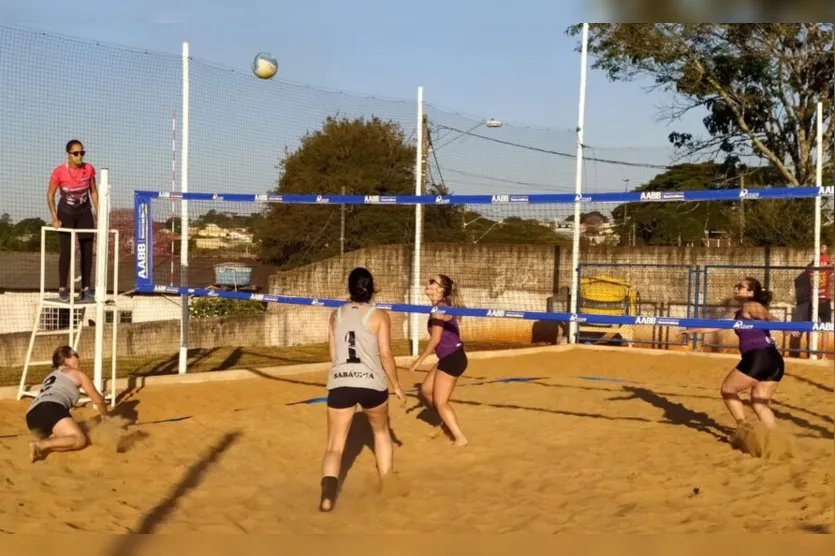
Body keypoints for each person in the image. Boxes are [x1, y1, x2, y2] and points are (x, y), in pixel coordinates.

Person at [319, 267, 405, 512]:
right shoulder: (379, 315)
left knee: (334, 446)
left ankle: (327, 498)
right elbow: (386, 354)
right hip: (372, 384)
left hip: (341, 382)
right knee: (381, 432)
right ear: (371, 287)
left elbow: (333, 355)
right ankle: (387, 480)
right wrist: (397, 386)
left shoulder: (336, 315)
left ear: (350, 287)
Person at [681, 277, 798, 432]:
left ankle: (743, 427)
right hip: (774, 361)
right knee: (759, 403)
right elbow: (718, 325)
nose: (736, 289)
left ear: (750, 292)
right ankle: (774, 439)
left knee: (728, 389)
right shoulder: (739, 313)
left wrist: (784, 327)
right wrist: (694, 330)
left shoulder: (751, 305)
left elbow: (767, 316)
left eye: (740, 287)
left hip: (759, 356)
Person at [409, 274, 469, 447]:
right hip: (448, 357)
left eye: (432, 281)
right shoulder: (438, 306)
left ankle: (459, 437)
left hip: (453, 358)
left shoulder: (440, 309)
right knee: (426, 390)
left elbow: (435, 340)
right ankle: (445, 423)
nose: (427, 283)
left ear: (441, 289)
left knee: (441, 402)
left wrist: (418, 361)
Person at [26, 346, 109, 463]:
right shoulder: (77, 374)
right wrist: (105, 416)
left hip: (31, 416)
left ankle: (45, 442)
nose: (78, 358)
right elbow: (98, 400)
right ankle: (40, 445)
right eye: (75, 355)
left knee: (65, 438)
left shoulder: (50, 376)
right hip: (50, 407)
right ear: (66, 359)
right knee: (80, 439)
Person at [47, 139, 99, 302]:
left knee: (87, 249)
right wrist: (54, 217)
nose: (79, 156)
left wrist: (99, 213)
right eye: (75, 153)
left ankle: (86, 287)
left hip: (84, 212)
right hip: (66, 213)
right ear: (68, 154)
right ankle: (63, 287)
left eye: (82, 153)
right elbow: (50, 196)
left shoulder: (89, 169)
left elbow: (94, 192)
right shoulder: (59, 172)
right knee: (66, 250)